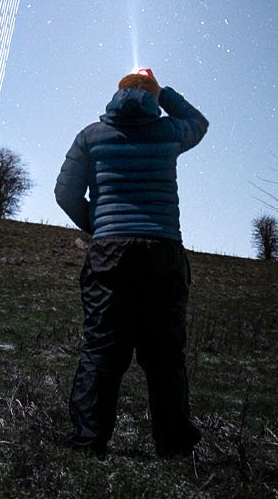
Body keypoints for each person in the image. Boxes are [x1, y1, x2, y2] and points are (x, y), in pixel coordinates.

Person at [54, 68, 209, 458]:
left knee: (102, 350)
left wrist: (101, 225)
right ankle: (173, 445)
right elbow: (199, 123)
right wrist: (164, 93)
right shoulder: (168, 132)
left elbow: (65, 192)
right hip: (163, 253)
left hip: (110, 253)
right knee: (165, 356)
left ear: (116, 94)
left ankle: (88, 443)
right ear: (152, 96)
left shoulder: (91, 136)